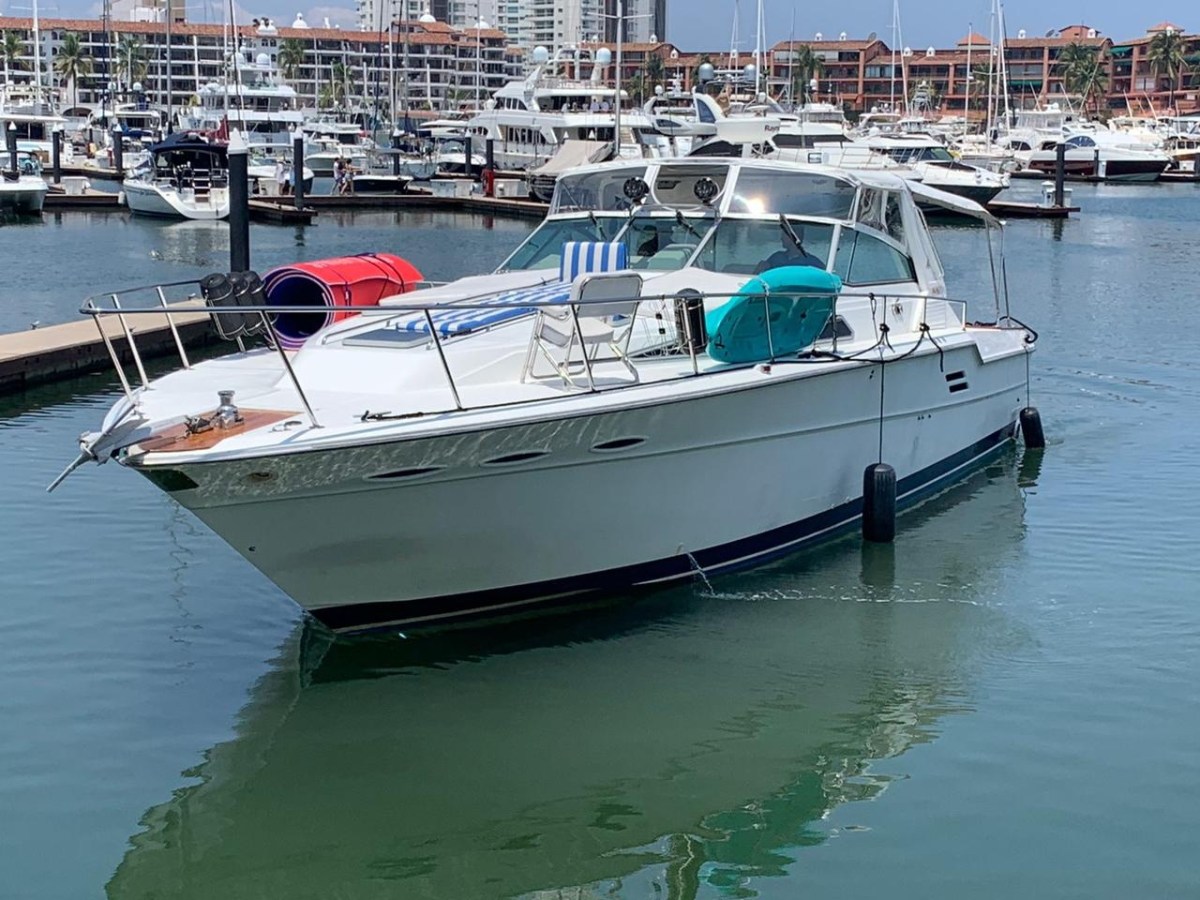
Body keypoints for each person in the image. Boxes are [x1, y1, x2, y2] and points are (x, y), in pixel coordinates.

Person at [755, 225, 824, 273]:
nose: (781, 238)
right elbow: (757, 278)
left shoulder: (812, 263)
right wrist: (760, 268)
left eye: (784, 235)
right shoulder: (776, 257)